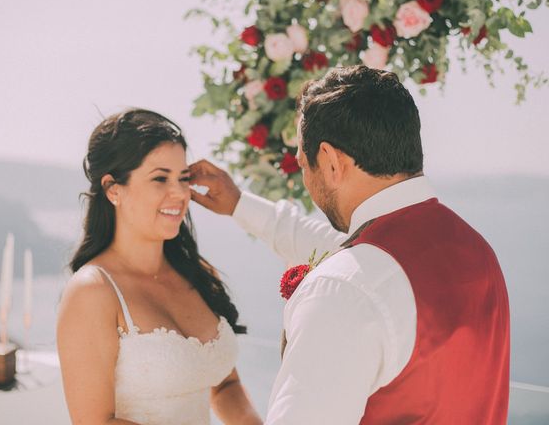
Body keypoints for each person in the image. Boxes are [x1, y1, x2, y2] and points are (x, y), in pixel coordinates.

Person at [190, 65, 510, 424]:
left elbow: (355, 275)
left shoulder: (343, 288)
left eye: (303, 165)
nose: (306, 179)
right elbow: (339, 250)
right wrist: (238, 203)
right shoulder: (476, 251)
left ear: (329, 161)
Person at [57, 109, 262, 425]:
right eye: (160, 178)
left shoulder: (199, 275)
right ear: (113, 188)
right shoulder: (93, 291)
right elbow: (95, 422)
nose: (179, 193)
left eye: (183, 178)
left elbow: (224, 385)